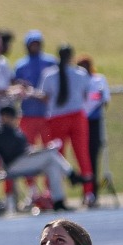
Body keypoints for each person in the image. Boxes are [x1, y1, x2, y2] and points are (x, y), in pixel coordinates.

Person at [0, 106, 77, 212]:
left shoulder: (15, 130)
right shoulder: (0, 132)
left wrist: (38, 151)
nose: (16, 120)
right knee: (51, 154)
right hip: (14, 164)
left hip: (24, 160)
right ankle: (71, 174)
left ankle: (58, 202)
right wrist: (37, 151)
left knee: (52, 165)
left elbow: (25, 148)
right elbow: (13, 152)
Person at [38, 45, 94, 206]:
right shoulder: (80, 73)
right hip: (77, 116)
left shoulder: (49, 75)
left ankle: (53, 192)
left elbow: (45, 96)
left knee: (56, 155)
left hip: (57, 118)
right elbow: (85, 94)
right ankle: (88, 192)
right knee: (82, 154)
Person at [77, 57, 110, 193]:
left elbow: (105, 100)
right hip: (79, 123)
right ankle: (86, 189)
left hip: (94, 122)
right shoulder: (77, 80)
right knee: (82, 156)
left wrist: (96, 100)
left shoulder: (98, 79)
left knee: (93, 155)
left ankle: (92, 190)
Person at [12, 31, 51, 146]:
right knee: (27, 146)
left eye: (37, 43)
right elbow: (15, 84)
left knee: (50, 146)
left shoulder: (50, 62)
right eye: (32, 44)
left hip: (47, 113)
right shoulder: (21, 65)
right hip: (28, 113)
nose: (34, 46)